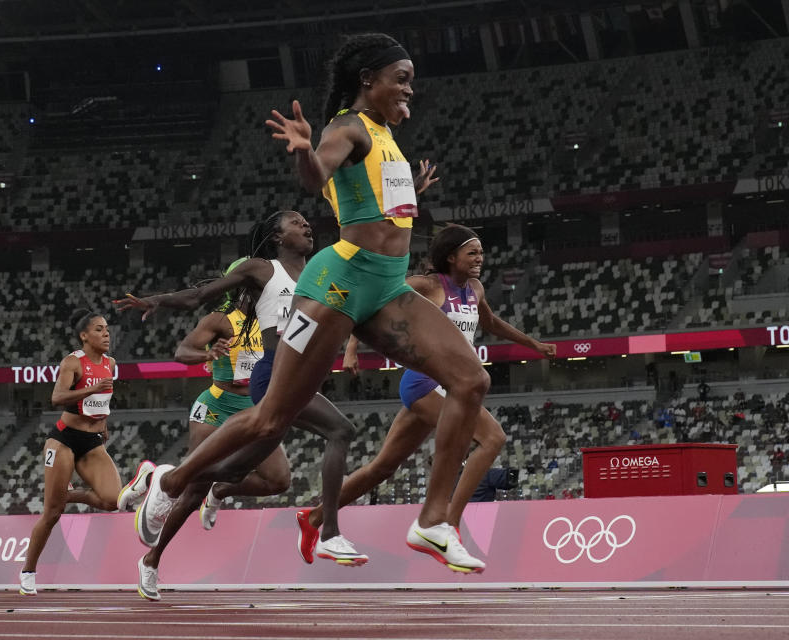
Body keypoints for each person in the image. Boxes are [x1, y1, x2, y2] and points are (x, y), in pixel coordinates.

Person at [126, 32, 490, 573]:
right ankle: (170, 480)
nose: (410, 89)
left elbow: (378, 203)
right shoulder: (346, 127)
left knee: (471, 381)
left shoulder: (386, 136)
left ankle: (433, 522)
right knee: (272, 417)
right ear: (369, 79)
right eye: (402, 79)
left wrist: (412, 188)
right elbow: (319, 171)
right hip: (337, 283)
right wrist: (304, 152)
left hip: (387, 285)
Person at [116, 211, 366, 599]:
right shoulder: (260, 272)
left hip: (298, 378)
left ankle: (163, 489)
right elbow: (200, 295)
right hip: (263, 381)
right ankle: (327, 530)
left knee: (237, 472)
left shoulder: (318, 274)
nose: (305, 226)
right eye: (295, 222)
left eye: (306, 221)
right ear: (277, 237)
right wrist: (158, 300)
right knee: (341, 429)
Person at [302, 225, 556, 542]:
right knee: (492, 438)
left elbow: (491, 323)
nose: (481, 257)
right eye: (472, 252)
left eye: (481, 252)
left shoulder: (475, 288)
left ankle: (313, 517)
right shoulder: (427, 285)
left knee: (382, 467)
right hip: (425, 382)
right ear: (451, 256)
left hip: (452, 385)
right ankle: (446, 524)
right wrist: (352, 348)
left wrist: (533, 344)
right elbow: (373, 299)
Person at [19, 309, 150, 596]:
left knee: (112, 500)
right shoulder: (73, 362)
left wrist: (104, 424)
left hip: (92, 442)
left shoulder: (110, 363)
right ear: (84, 335)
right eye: (100, 329)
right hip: (63, 440)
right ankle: (28, 571)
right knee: (52, 513)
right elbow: (57, 398)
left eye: (107, 329)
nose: (106, 334)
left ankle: (68, 492)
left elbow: (102, 400)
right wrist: (89, 390)